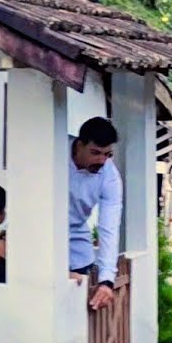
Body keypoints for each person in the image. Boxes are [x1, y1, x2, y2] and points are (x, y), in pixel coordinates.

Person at [68, 117, 123, 311]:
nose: (101, 160)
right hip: (38, 247)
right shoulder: (52, 149)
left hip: (77, 252)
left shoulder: (110, 175)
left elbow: (109, 227)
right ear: (79, 145)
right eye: (95, 153)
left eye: (108, 154)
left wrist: (107, 280)